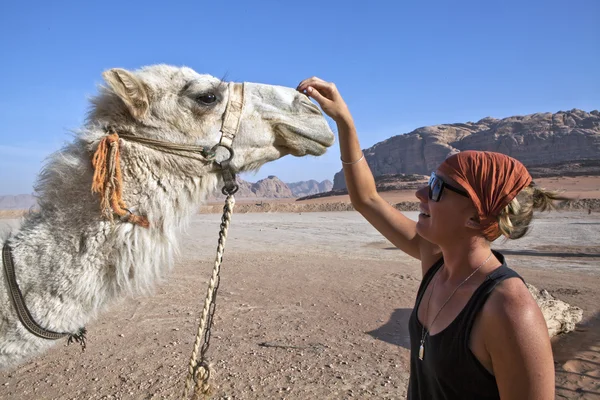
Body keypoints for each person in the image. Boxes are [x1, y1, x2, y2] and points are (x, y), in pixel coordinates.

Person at [297, 77, 560, 399]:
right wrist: (345, 121)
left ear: (476, 215)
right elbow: (367, 198)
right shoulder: (435, 261)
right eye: (429, 180)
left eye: (436, 188)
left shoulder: (510, 310)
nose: (420, 193)